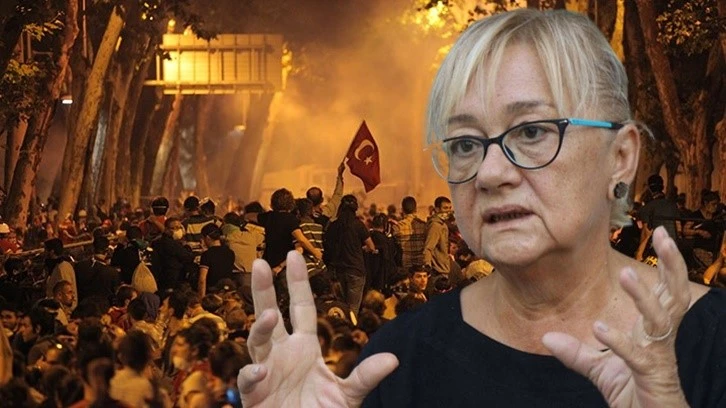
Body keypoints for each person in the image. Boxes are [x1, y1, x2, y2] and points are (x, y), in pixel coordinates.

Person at [237, 9, 725, 408]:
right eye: (466, 143)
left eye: (531, 132)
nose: (490, 173)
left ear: (621, 157)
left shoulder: (713, 344)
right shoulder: (396, 362)